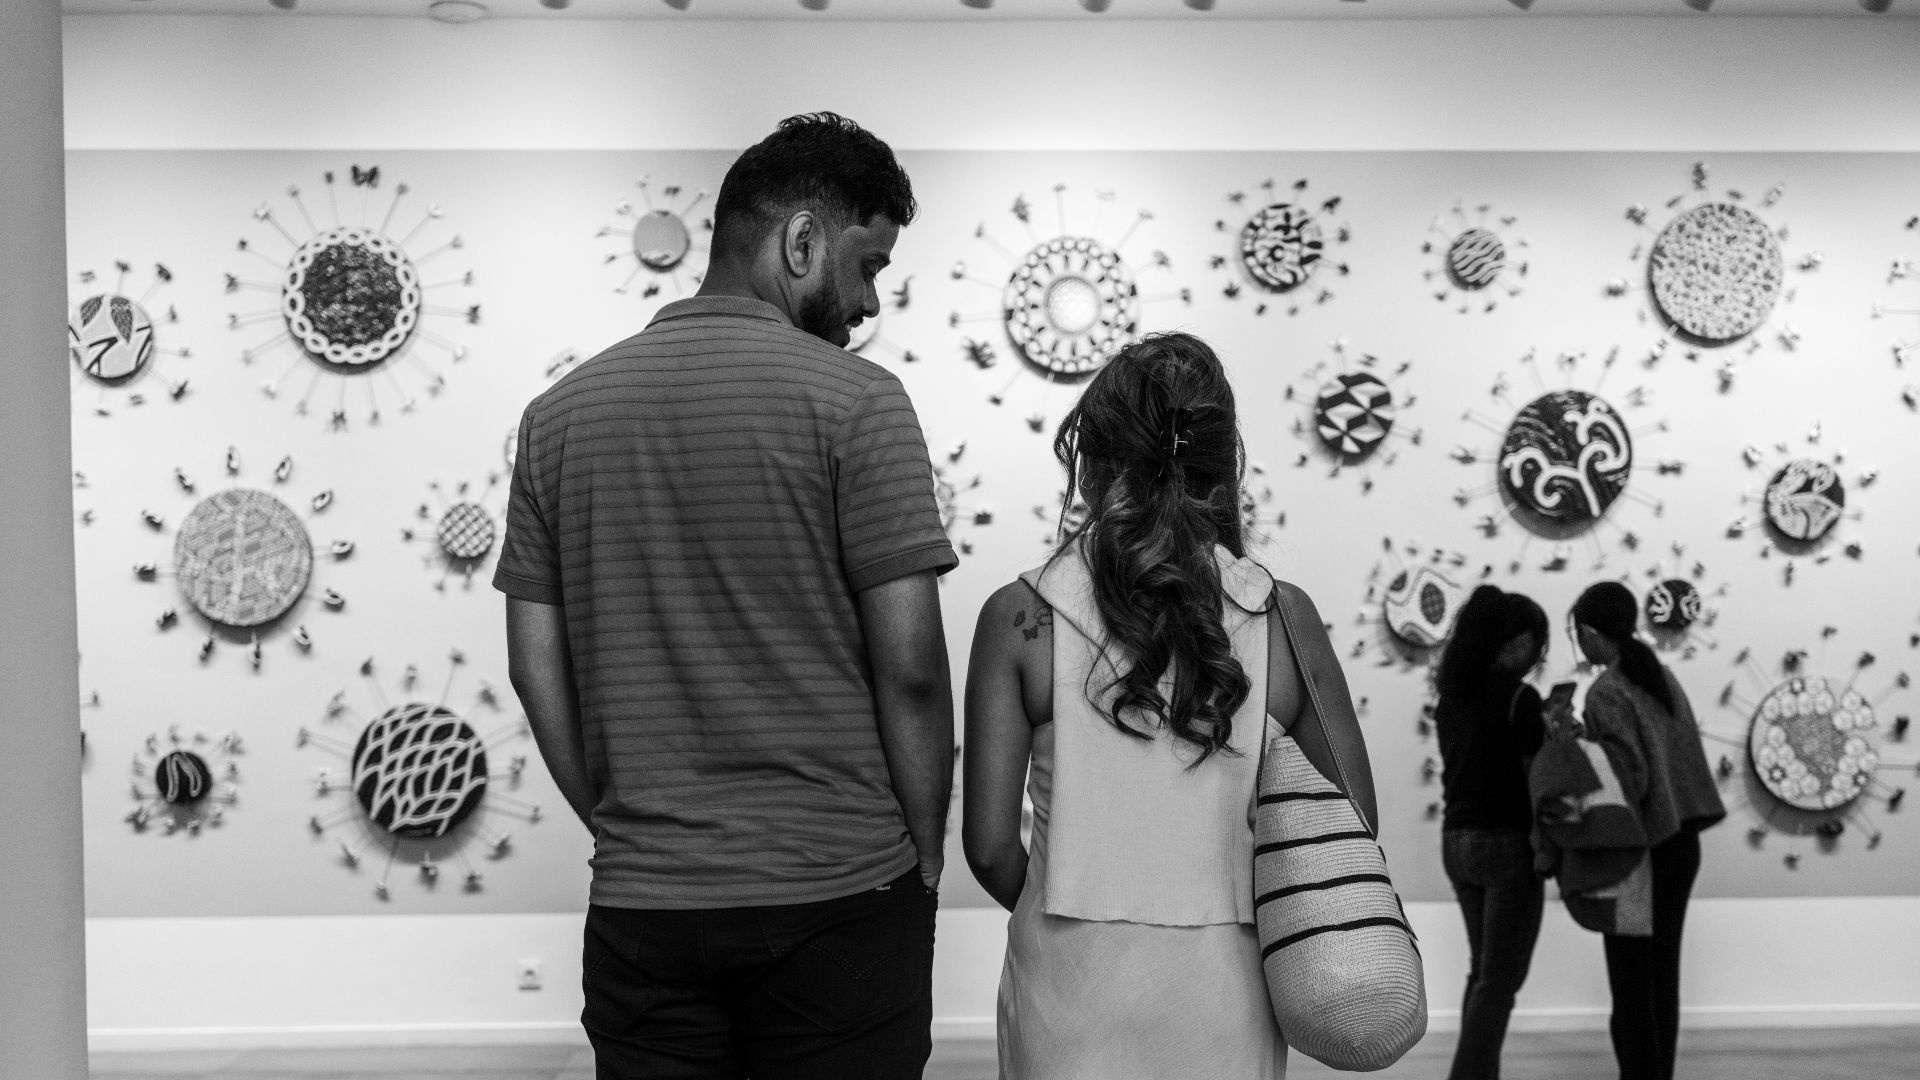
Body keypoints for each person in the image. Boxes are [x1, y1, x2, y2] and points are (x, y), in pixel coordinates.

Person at [495, 112, 958, 1080]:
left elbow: (536, 672)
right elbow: (912, 667)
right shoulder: (860, 401)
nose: (868, 304)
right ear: (802, 241)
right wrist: (923, 852)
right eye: (868, 266)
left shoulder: (556, 418)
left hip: (643, 908)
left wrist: (626, 825)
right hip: (838, 889)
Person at [961, 332, 1379, 1080]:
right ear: (1224, 466)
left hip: (1066, 984)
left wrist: (1069, 904)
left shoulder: (1021, 616)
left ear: (1093, 463)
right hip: (1230, 984)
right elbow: (1352, 821)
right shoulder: (1282, 616)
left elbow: (990, 847)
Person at [1568, 581, 1726, 1080]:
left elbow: (1627, 777)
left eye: (1577, 635)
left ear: (1589, 632)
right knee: (1661, 975)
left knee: (1632, 980)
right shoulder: (1659, 674)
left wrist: (1577, 749)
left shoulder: (1606, 691)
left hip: (1642, 849)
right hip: (1682, 841)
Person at [1432, 585, 1550, 1080]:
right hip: (1506, 844)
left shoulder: (1452, 698)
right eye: (1538, 644)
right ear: (1519, 641)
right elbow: (1538, 782)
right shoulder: (1522, 699)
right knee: (1500, 979)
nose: (1539, 657)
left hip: (1457, 840)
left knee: (1483, 970)